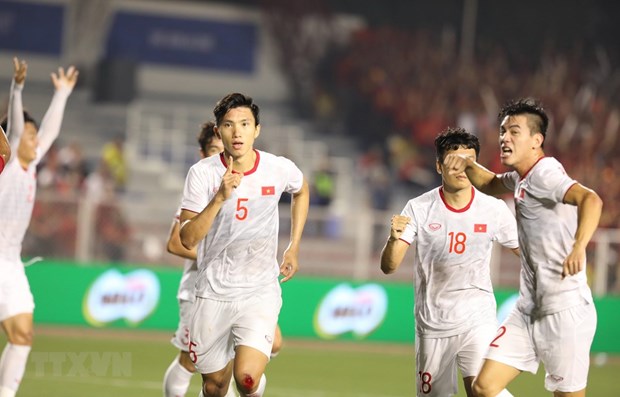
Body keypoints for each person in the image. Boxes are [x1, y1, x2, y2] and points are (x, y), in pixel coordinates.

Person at [443, 99, 602, 397]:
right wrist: (466, 163)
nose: (504, 138)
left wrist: (579, 246)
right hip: (529, 309)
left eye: (514, 132)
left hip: (564, 310)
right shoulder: (521, 177)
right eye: (503, 131)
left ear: (536, 140)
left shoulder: (545, 173)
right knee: (483, 388)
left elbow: (591, 199)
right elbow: (490, 183)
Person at [179, 93, 309, 397]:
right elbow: (187, 238)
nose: (237, 132)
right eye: (229, 125)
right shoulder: (202, 174)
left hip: (258, 291)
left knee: (247, 378)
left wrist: (294, 245)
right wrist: (219, 198)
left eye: (245, 124)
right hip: (213, 293)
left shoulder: (277, 168)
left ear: (257, 129)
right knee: (214, 386)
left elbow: (302, 190)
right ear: (218, 130)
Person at [380, 127, 519, 397]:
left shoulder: (494, 209)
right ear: (438, 165)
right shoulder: (418, 208)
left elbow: (527, 254)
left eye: (469, 161)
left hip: (477, 319)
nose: (461, 168)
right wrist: (392, 239)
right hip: (432, 325)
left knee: (483, 391)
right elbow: (389, 266)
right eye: (454, 161)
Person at [163, 121, 284, 397]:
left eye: (226, 148)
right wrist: (222, 254)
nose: (225, 155)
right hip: (200, 289)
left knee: (269, 347)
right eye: (216, 149)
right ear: (203, 154)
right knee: (189, 362)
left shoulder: (247, 187)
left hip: (244, 289)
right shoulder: (199, 190)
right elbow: (175, 242)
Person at [0, 57, 78, 397]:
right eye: (30, 136)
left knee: (23, 335)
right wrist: (17, 88)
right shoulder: (14, 163)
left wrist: (61, 94)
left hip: (11, 263)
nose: (36, 140)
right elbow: (16, 129)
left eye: (34, 136)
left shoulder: (31, 166)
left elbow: (51, 130)